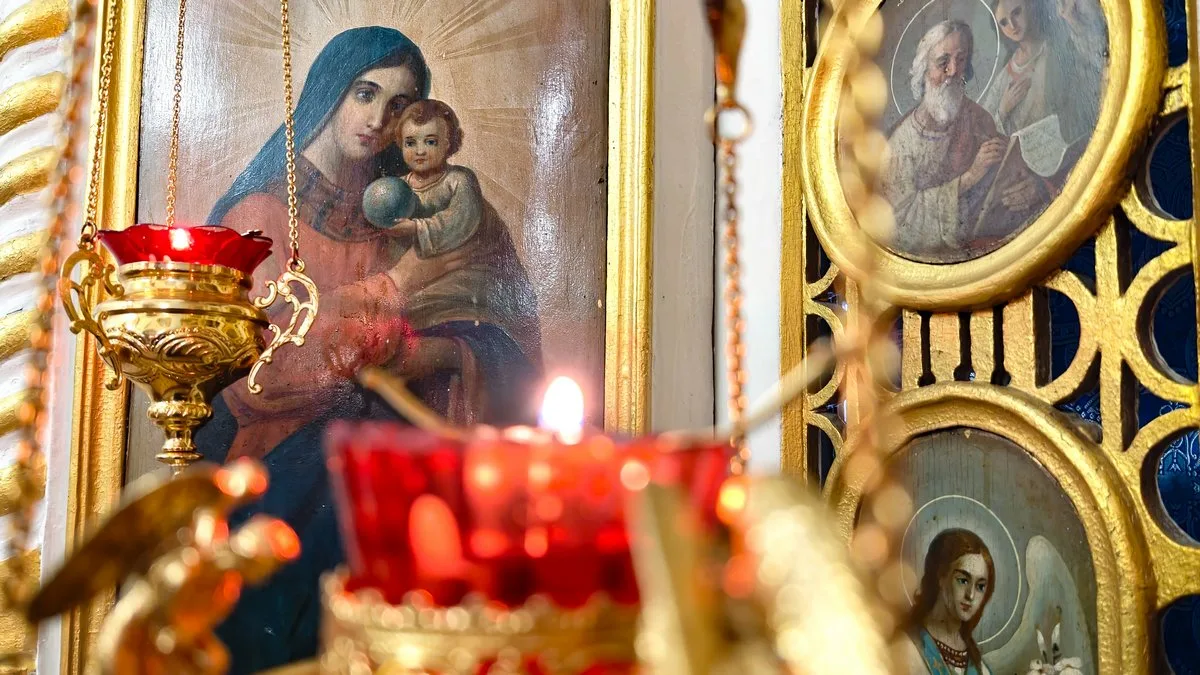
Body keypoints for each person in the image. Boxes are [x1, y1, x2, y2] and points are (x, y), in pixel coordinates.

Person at [194, 26, 542, 673]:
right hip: (283, 465)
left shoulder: (416, 213)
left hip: (394, 453)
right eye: (365, 93)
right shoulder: (263, 215)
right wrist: (395, 288)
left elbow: (506, 327)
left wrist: (442, 356)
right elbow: (258, 377)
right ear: (330, 93)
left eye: (398, 105)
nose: (379, 119)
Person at [382, 98, 541, 368]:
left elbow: (460, 222)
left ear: (449, 144)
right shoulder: (397, 188)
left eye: (430, 142)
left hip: (462, 291)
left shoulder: (459, 181)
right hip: (417, 291)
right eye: (410, 143)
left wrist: (417, 227)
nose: (419, 151)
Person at [880, 20, 1040, 262]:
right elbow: (902, 227)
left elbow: (1007, 175)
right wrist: (970, 177)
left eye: (961, 59)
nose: (954, 70)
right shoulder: (901, 144)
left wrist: (1029, 188)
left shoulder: (979, 119)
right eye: (943, 62)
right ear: (924, 70)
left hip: (999, 254)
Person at [980, 0, 1104, 149]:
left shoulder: (1057, 46)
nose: (1012, 26)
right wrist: (1003, 109)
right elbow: (984, 130)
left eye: (1016, 13)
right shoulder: (1005, 76)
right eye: (1004, 22)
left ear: (1029, 7)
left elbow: (1094, 66)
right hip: (1023, 155)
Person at [901, 529, 996, 675]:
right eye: (963, 580)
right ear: (941, 576)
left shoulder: (979, 667)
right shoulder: (907, 648)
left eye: (980, 586)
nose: (970, 595)